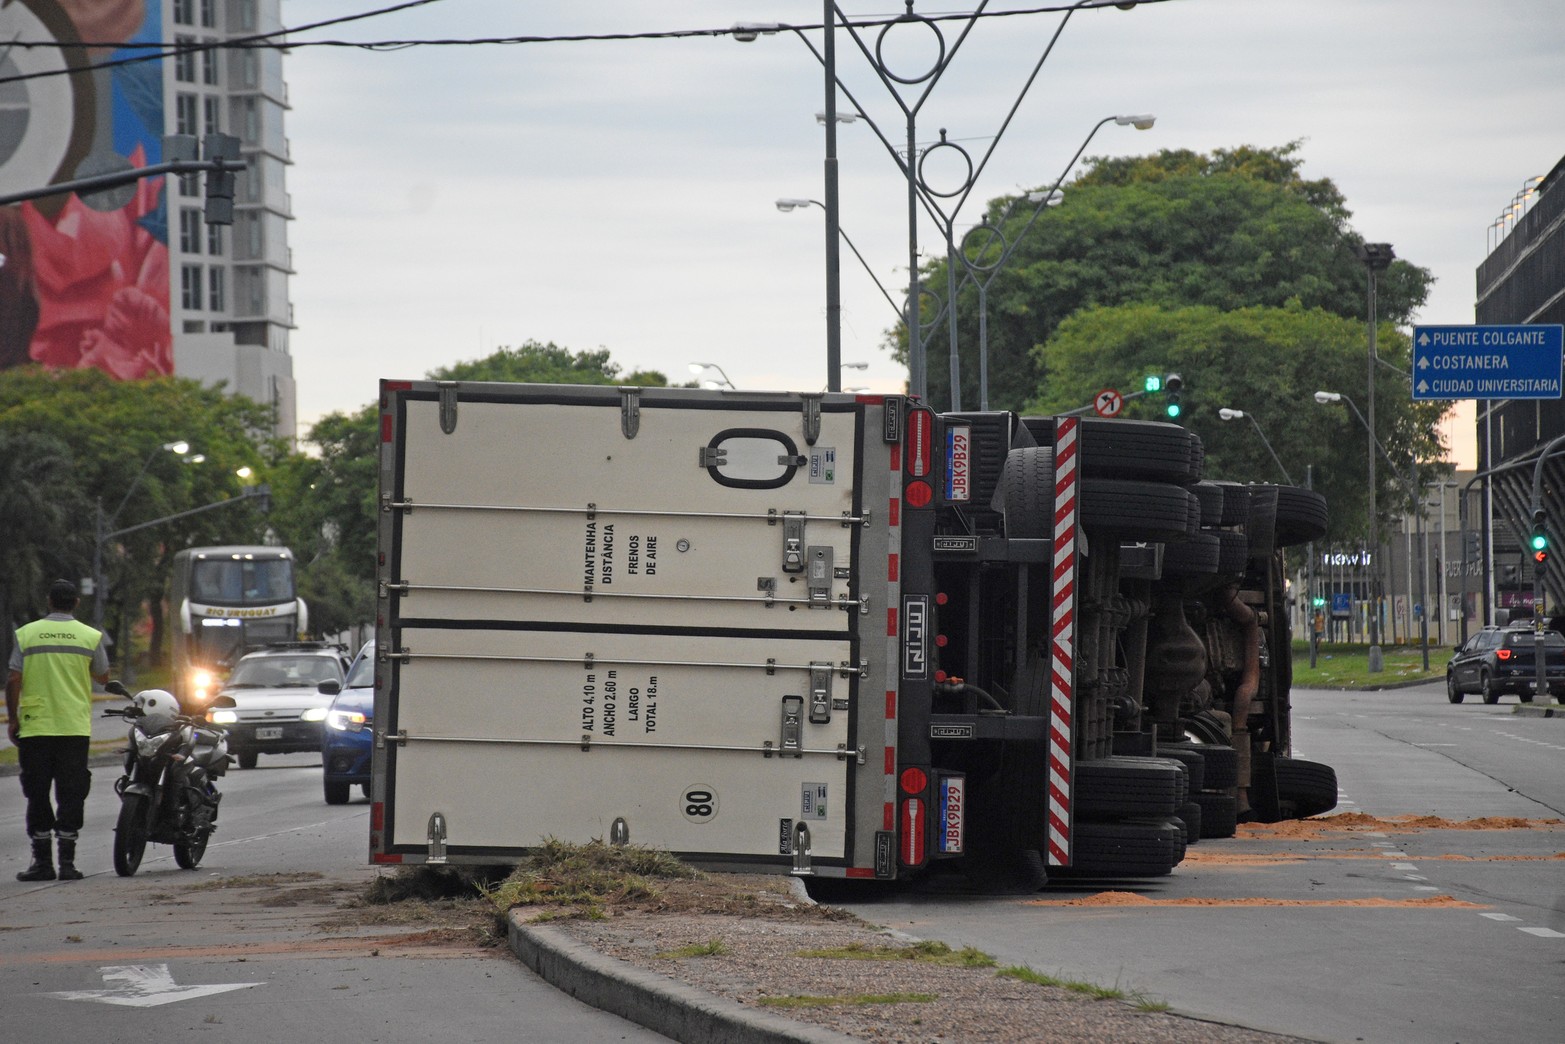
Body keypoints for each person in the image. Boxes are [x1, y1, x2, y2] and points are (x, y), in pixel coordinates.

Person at [6, 579, 109, 881]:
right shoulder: (90, 636)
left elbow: (13, 679)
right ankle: (67, 863)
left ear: (49, 601)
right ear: (76, 603)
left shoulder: (27, 634)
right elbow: (103, 676)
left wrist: (13, 719)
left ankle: (42, 863)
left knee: (36, 792)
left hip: (35, 728)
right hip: (73, 727)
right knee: (72, 793)